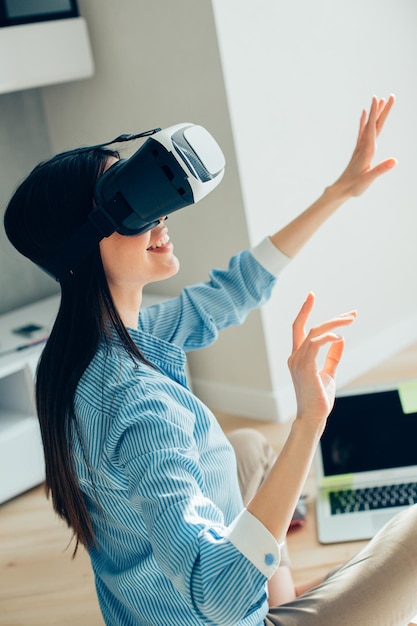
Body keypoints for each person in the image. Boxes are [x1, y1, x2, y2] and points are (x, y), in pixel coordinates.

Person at [4, 95, 417, 626]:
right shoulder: (135, 403)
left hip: (157, 606)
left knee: (248, 450)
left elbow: (236, 288)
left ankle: (282, 606)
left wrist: (338, 192)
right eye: (134, 207)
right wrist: (309, 421)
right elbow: (215, 592)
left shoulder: (93, 345)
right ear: (86, 244)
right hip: (217, 609)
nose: (161, 216)